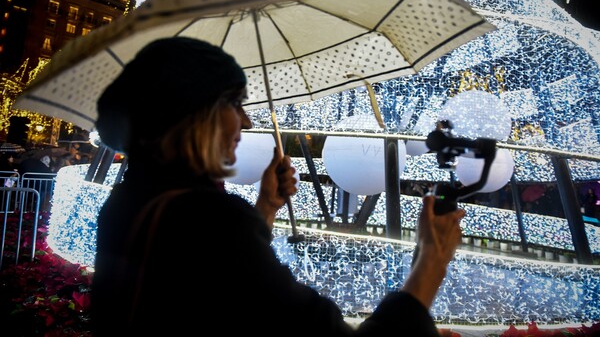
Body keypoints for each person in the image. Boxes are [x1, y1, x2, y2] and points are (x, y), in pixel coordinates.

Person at [91, 37, 466, 336]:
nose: (247, 120)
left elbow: (217, 293)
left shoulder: (130, 198)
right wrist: (431, 260)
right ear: (195, 114)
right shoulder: (208, 219)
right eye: (235, 103)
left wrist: (265, 209)